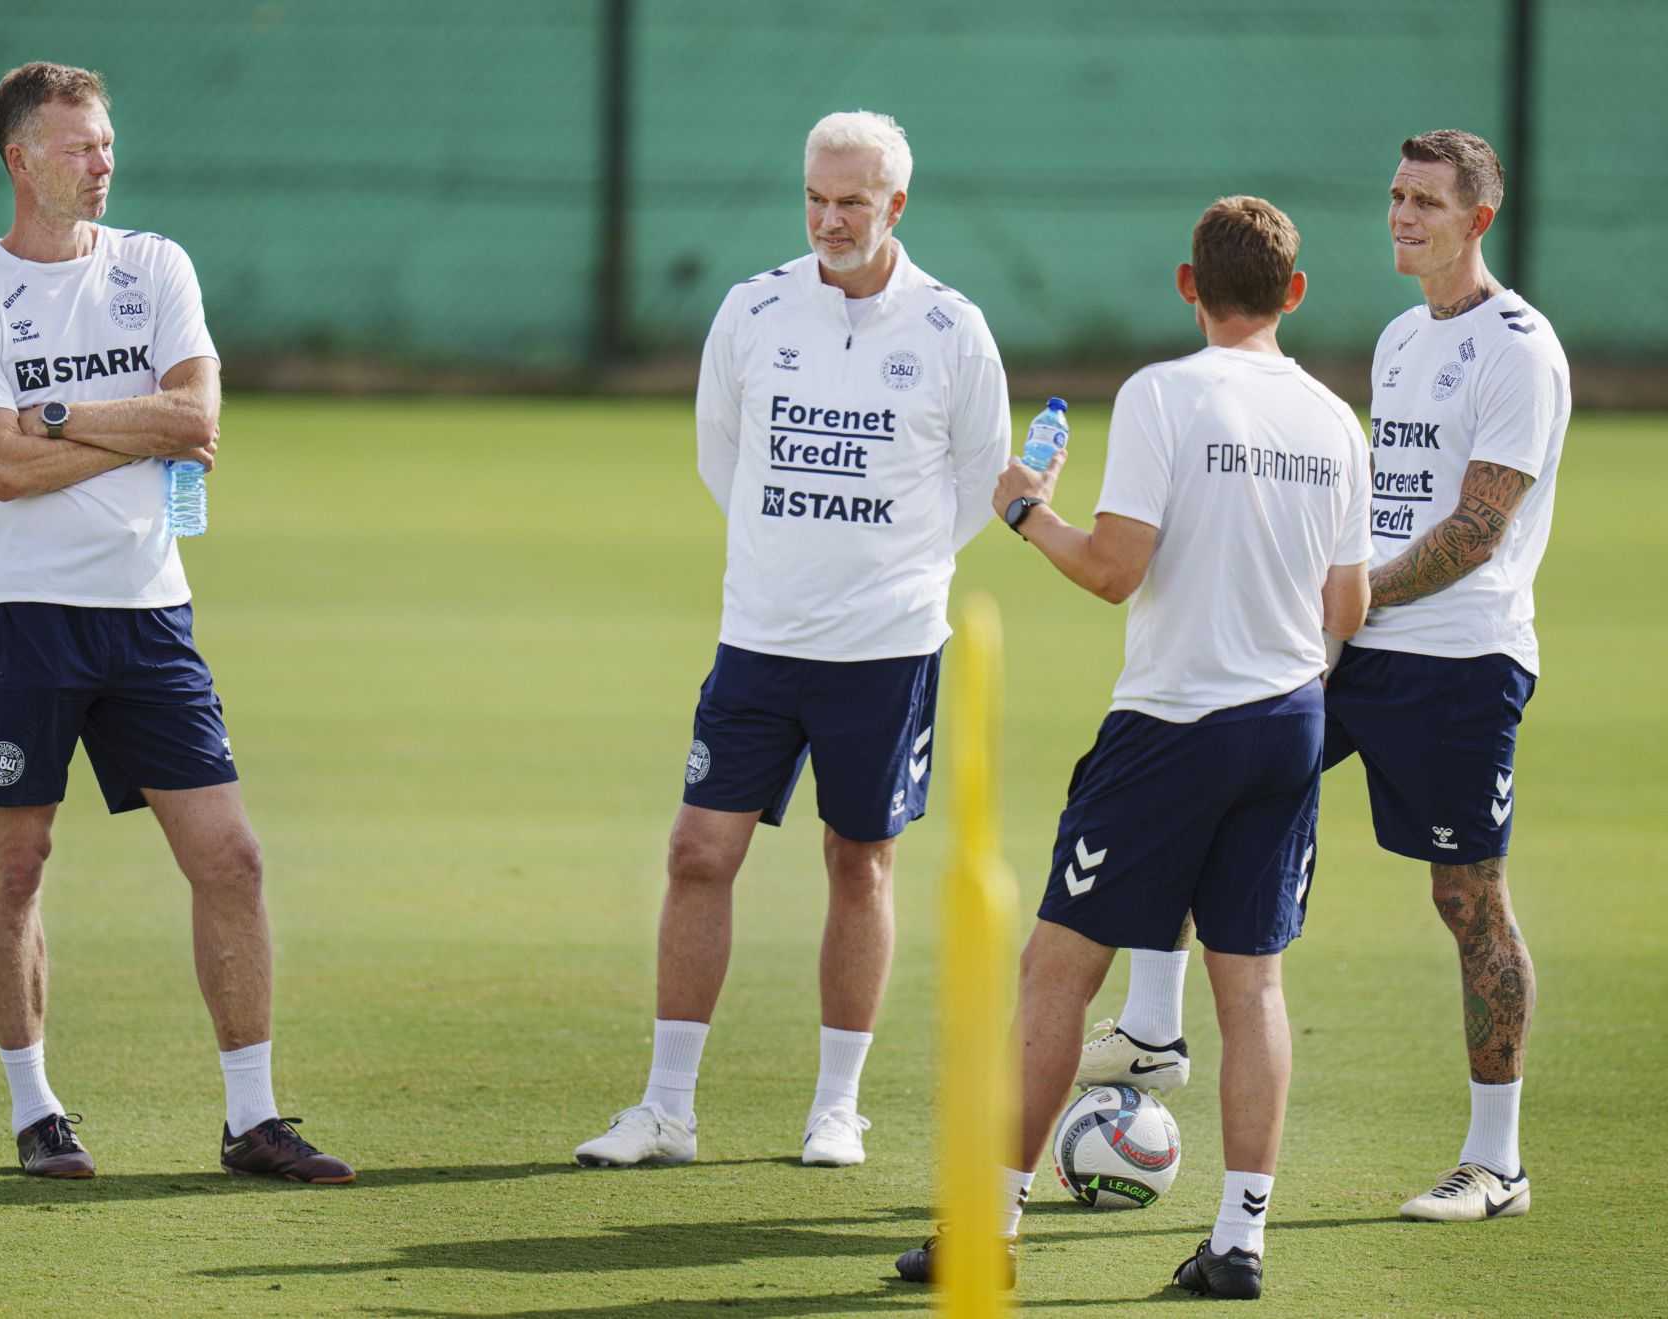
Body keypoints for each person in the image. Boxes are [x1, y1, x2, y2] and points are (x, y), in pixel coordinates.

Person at [1085, 130, 1568, 1224]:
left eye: (1427, 201)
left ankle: (1497, 1162)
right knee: (1204, 779)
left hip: (1460, 659)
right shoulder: (1400, 337)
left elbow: (1478, 527)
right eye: (1396, 196)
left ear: (1478, 219)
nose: (1403, 215)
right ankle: (1153, 1028)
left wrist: (1345, 594)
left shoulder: (1521, 349)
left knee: (1467, 898)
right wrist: (1332, 599)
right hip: (1351, 642)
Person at [895, 196, 1372, 1298]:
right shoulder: (1335, 420)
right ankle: (1240, 1242)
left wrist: (1027, 511)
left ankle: (991, 1227)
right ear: (1295, 293)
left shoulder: (1165, 392)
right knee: (1252, 988)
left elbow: (1114, 569)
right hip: (1289, 723)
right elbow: (1346, 606)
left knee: (1056, 971)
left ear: (1188, 285)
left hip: (1173, 725)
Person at [574, 110, 1011, 1170]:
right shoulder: (753, 308)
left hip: (886, 648)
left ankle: (837, 1107)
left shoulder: (953, 329)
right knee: (697, 852)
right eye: (815, 197)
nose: (829, 219)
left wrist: (886, 573)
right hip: (759, 639)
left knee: (860, 861)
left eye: (851, 201)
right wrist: (788, 561)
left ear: (896, 204)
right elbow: (721, 456)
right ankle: (667, 1109)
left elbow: (978, 483)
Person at [0, 62, 352, 1183]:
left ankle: (252, 1118)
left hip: (149, 614)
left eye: (107, 142)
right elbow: (1, 467)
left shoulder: (155, 263)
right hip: (26, 618)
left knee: (231, 857)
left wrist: (56, 413)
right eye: (78, 145)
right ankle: (36, 1110)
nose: (103, 161)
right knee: (18, 861)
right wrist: (126, 428)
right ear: (21, 159)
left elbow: (197, 417)